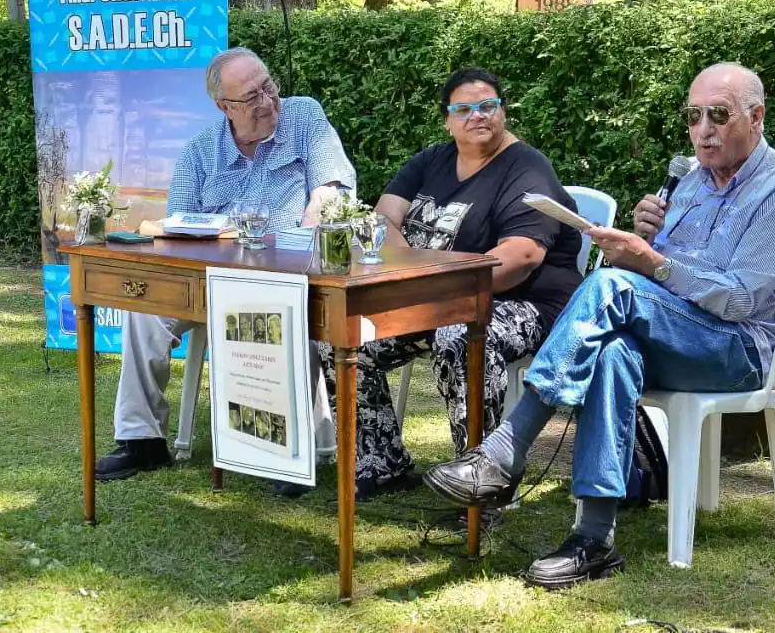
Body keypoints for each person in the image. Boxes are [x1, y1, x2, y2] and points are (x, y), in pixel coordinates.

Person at [423, 62, 775, 589]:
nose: (704, 130)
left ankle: (504, 453)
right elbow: (663, 277)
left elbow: (742, 301)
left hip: (736, 350)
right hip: (673, 333)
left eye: (719, 115)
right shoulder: (692, 181)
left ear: (757, 117)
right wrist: (644, 242)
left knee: (610, 287)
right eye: (694, 116)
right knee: (612, 353)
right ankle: (594, 539)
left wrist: (652, 263)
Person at [310, 67, 584, 501]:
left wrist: (430, 284)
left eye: (488, 106)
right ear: (448, 120)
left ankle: (484, 478)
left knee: (459, 336)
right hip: (430, 296)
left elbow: (521, 257)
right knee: (342, 336)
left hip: (523, 303)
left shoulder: (526, 168)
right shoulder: (432, 160)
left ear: (503, 112)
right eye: (464, 109)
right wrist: (419, 274)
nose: (478, 116)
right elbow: (382, 218)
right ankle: (379, 462)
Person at [95, 47, 356, 480]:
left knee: (286, 314)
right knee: (142, 312)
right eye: (251, 98)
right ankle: (141, 440)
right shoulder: (199, 153)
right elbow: (174, 231)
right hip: (215, 279)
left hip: (292, 275)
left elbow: (331, 189)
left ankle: (283, 453)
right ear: (224, 107)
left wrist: (311, 225)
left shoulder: (304, 117)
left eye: (268, 87)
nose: (267, 102)